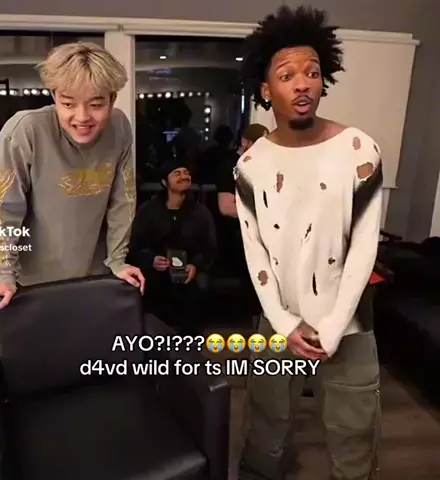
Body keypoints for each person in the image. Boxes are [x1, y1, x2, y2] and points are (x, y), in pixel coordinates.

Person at [236, 6, 383, 480]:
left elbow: (364, 246)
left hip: (349, 324)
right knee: (265, 425)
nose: (302, 84)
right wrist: (283, 323)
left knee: (354, 433)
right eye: (287, 75)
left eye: (312, 73)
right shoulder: (250, 166)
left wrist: (334, 325)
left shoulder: (359, 150)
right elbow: (255, 250)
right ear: (266, 90)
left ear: (323, 81)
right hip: (278, 319)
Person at [0, 42, 145, 321]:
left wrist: (117, 260)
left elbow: (123, 199)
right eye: (68, 104)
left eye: (96, 104)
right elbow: (3, 208)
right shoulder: (25, 130)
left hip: (94, 276)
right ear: (54, 95)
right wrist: (4, 274)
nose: (82, 117)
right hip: (31, 283)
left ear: (112, 98)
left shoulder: (119, 127)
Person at [127, 161, 216, 333]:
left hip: (190, 276)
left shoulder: (201, 212)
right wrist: (151, 260)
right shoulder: (148, 211)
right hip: (156, 276)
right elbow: (135, 245)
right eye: (177, 173)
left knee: (197, 292)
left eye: (186, 173)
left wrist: (195, 265)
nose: (184, 176)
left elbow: (210, 247)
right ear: (164, 182)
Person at [216, 123, 269, 219]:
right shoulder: (230, 166)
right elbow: (226, 207)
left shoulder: (261, 166)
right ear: (244, 142)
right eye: (259, 144)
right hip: (235, 226)